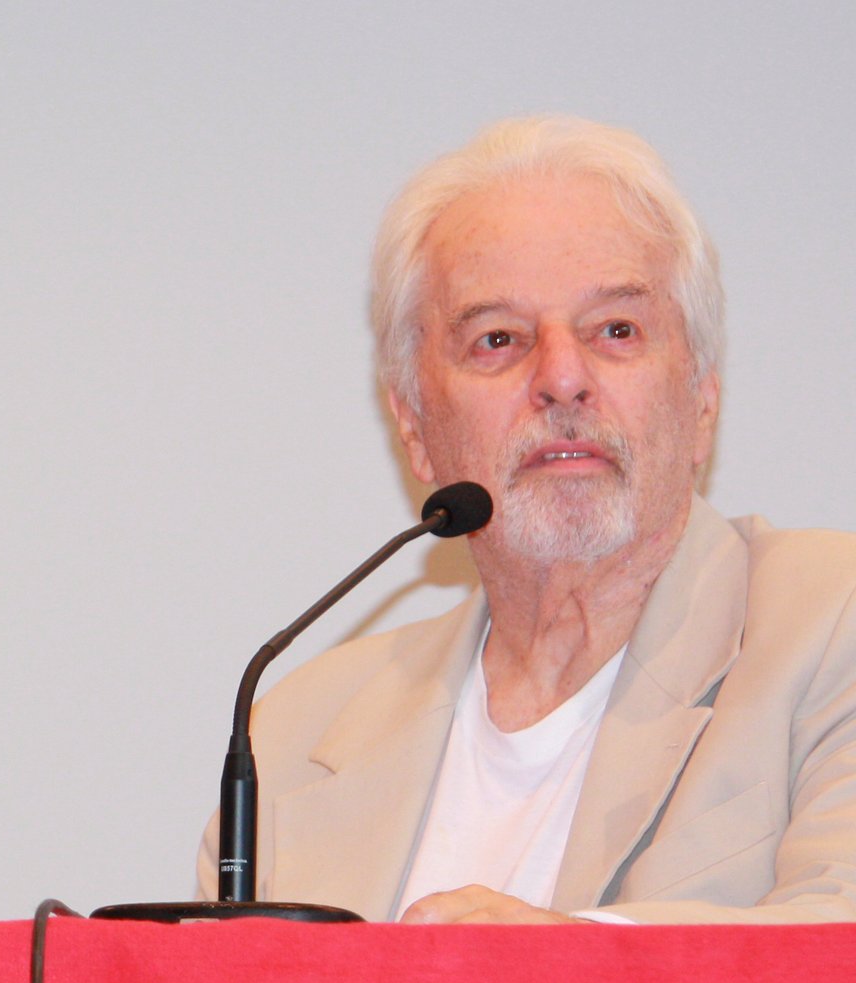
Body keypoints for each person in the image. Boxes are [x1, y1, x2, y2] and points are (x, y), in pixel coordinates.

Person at [197, 115, 856, 924]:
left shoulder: (829, 626)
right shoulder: (294, 734)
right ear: (415, 430)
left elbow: (836, 954)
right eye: (498, 339)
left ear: (703, 397)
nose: (563, 378)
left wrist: (556, 970)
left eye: (617, 329)